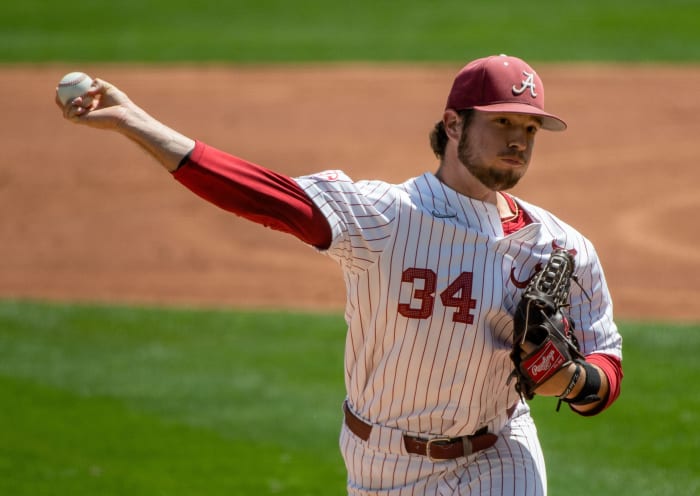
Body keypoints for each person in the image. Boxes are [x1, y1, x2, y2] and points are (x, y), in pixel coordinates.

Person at [57, 54, 623, 495]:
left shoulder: (559, 247)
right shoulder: (383, 217)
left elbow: (605, 361)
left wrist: (574, 382)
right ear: (454, 123)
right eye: (503, 122)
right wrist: (136, 123)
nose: (519, 141)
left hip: (500, 452)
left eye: (529, 128)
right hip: (383, 462)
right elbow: (265, 196)